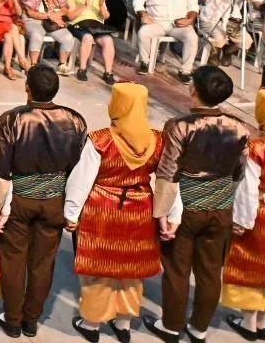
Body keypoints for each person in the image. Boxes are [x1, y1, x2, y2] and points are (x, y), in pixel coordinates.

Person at [147, 66, 258, 343]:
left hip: (185, 211)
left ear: (193, 89)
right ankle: (199, 329)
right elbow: (239, 173)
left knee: (177, 270)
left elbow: (168, 173)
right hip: (221, 210)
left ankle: (171, 326)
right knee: (210, 272)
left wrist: (163, 214)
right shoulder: (240, 127)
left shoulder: (179, 126)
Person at [0, 65, 88, 338]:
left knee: (12, 259)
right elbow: (78, 169)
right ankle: (31, 320)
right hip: (54, 200)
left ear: (27, 88)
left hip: (18, 201)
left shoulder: (10, 120)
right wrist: (72, 208)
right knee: (43, 262)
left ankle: (13, 319)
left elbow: (1, 170)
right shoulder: (75, 121)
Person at [64, 82, 166, 341]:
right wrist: (169, 214)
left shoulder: (101, 140)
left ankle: (91, 324)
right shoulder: (156, 140)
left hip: (102, 209)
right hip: (141, 209)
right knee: (131, 271)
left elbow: (81, 180)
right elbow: (167, 179)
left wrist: (71, 212)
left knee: (100, 271)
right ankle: (123, 324)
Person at [221, 88, 265, 340]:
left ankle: (249, 323)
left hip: (261, 213)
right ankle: (263, 323)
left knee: (250, 265)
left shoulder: (257, 148)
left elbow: (248, 188)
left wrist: (241, 220)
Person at [133, 0, 199, 82]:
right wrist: (143, 14)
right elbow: (138, 0)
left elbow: (194, 7)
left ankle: (185, 71)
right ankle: (145, 62)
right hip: (156, 22)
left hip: (178, 24)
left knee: (192, 37)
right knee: (143, 32)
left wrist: (190, 19)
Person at [67, 0, 118, 84]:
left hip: (95, 25)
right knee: (88, 38)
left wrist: (101, 5)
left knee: (108, 40)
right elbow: (70, 16)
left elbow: (106, 16)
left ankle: (108, 73)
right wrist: (84, 6)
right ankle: (82, 69)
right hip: (78, 23)